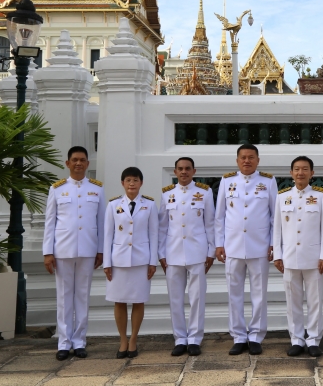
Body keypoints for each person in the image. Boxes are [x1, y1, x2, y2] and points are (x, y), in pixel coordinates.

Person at [43, 146, 106, 361]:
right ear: (67, 163)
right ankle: (64, 342)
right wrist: (48, 252)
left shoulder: (97, 189)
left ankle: (79, 341)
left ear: (88, 164)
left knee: (82, 296)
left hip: (88, 249)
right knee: (63, 297)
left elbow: (101, 222)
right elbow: (50, 222)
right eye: (75, 160)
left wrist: (101, 250)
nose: (78, 163)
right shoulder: (57, 189)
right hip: (63, 249)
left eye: (82, 160)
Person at [215, 144, 277, 356]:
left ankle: (256, 336)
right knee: (234, 294)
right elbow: (219, 216)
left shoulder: (268, 181)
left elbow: (274, 216)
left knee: (259, 294)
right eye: (243, 157)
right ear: (237, 160)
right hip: (232, 246)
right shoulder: (227, 181)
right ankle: (239, 336)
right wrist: (219, 243)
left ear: (258, 160)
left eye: (251, 157)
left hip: (259, 245)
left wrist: (273, 243)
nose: (247, 161)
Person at [273, 156, 323, 357]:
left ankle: (313, 339)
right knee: (293, 302)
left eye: (305, 169)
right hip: (289, 257)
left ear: (312, 173)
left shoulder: (321, 196)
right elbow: (277, 229)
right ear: (291, 173)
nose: (300, 173)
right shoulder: (282, 197)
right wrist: (277, 255)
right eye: (297, 169)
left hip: (314, 258)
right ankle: (296, 339)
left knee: (315, 301)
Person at [159, 157, 215, 357]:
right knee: (175, 298)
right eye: (180, 169)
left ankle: (195, 339)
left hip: (197, 251)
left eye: (187, 169)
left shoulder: (204, 192)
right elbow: (162, 226)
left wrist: (211, 251)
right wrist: (161, 253)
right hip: (172, 252)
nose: (184, 172)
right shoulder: (167, 194)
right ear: (175, 172)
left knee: (197, 298)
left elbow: (210, 223)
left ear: (194, 171)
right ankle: (180, 339)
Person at [103, 167, 159, 359]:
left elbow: (154, 234)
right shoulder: (113, 205)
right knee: (119, 301)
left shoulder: (149, 205)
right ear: (122, 183)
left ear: (141, 183)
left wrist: (153, 262)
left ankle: (133, 339)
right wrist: (106, 262)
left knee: (138, 300)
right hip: (118, 260)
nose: (132, 184)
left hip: (141, 260)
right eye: (128, 180)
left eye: (135, 180)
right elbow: (108, 235)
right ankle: (122, 340)